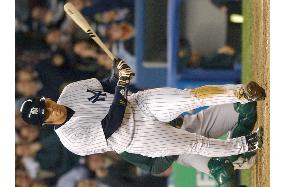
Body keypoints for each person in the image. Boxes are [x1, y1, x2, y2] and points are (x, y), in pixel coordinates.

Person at [20, 58, 265, 159]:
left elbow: (106, 86)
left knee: (190, 98)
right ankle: (244, 145)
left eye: (47, 105)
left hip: (140, 103)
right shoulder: (70, 139)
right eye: (47, 115)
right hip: (136, 137)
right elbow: (111, 124)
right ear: (45, 123)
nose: (52, 110)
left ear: (46, 99)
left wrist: (117, 73)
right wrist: (123, 85)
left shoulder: (70, 91)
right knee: (193, 143)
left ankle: (241, 93)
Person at [119, 101, 258, 187]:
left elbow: (164, 101)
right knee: (222, 170)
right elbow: (153, 167)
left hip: (192, 124)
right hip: (183, 151)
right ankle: (235, 157)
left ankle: (237, 156)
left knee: (246, 107)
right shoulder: (122, 145)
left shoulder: (130, 102)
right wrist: (171, 147)